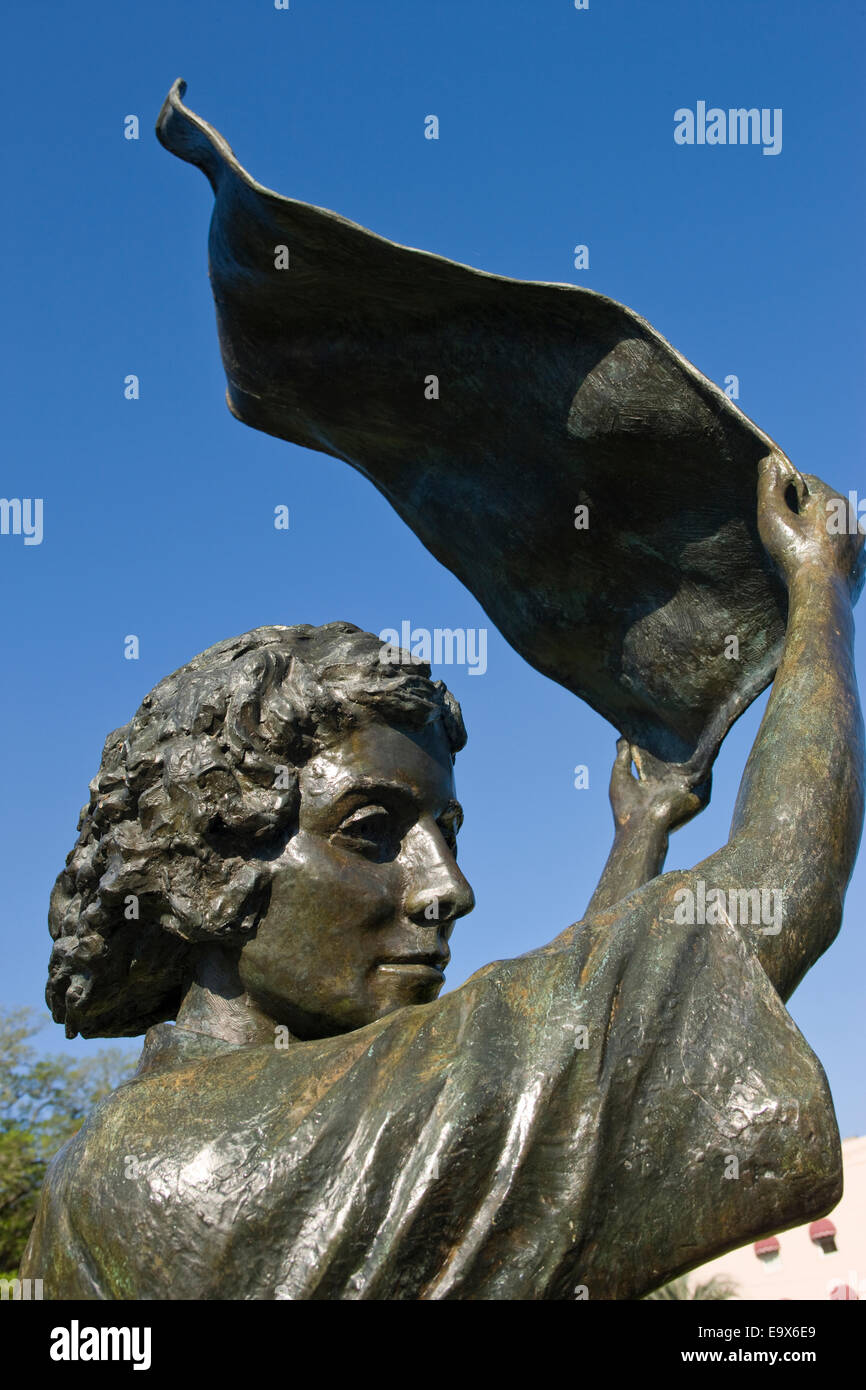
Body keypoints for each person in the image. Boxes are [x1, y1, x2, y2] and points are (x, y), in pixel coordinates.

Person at [21, 458, 864, 1300]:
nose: (450, 888)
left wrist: (640, 834)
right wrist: (820, 591)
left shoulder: (106, 1163)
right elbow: (777, 885)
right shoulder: (240, 1146)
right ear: (209, 873)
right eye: (370, 831)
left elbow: (569, 1077)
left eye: (446, 834)